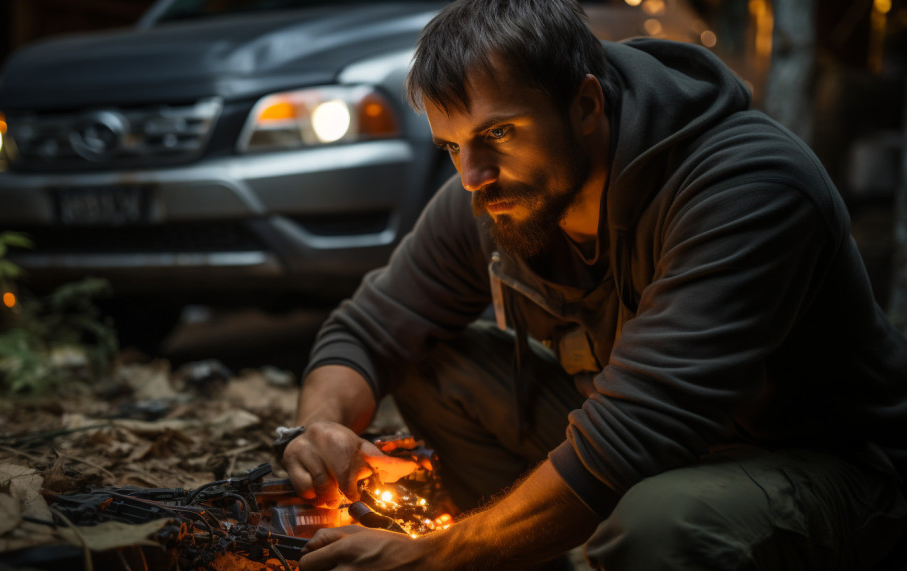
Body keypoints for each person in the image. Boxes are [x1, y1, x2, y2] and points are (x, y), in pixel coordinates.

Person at [280, 0, 907, 568]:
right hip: (659, 446)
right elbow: (368, 329)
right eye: (451, 146)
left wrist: (432, 556)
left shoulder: (747, 187)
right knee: (433, 364)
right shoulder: (496, 197)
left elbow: (633, 435)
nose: (472, 176)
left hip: (826, 463)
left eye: (497, 134)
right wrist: (321, 427)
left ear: (584, 105)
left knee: (662, 524)